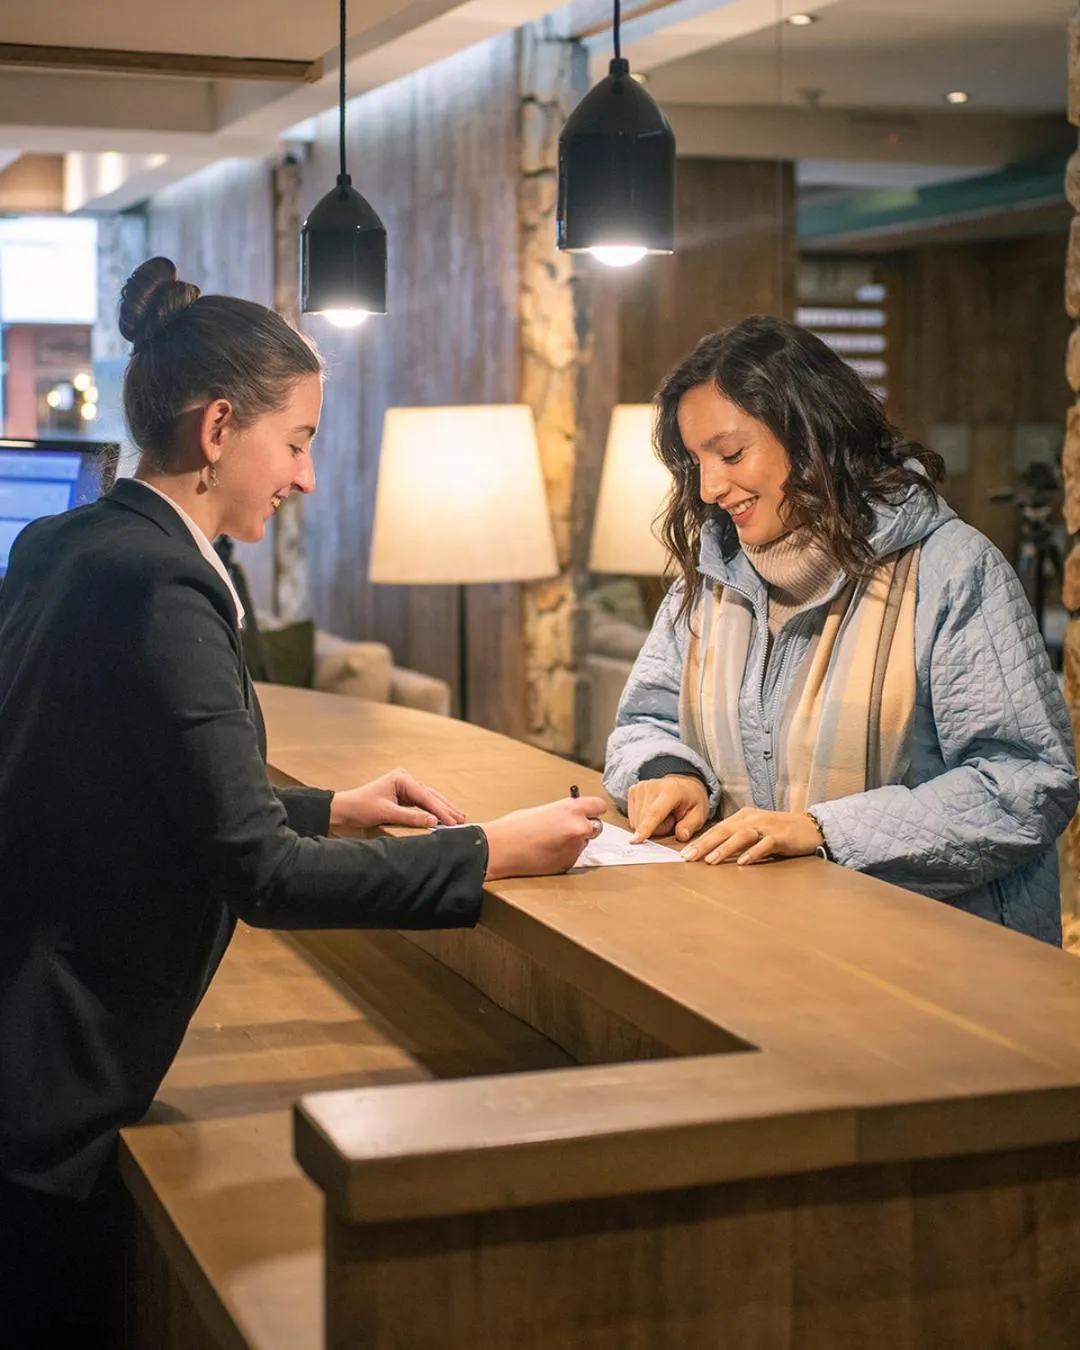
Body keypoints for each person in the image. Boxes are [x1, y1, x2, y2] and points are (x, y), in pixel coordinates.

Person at [0, 256, 605, 1344]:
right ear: (222, 426)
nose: (308, 478)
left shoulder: (64, 544)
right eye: (301, 440)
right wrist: (491, 855)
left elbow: (123, 791)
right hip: (57, 1081)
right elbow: (258, 878)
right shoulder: (167, 589)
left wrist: (332, 807)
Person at [604, 315, 1077, 946]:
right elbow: (646, 721)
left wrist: (825, 831)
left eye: (731, 453)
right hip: (767, 947)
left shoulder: (951, 571)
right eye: (696, 463)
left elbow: (1025, 785)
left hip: (941, 967)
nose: (711, 487)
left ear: (811, 434)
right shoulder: (712, 580)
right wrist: (668, 771)